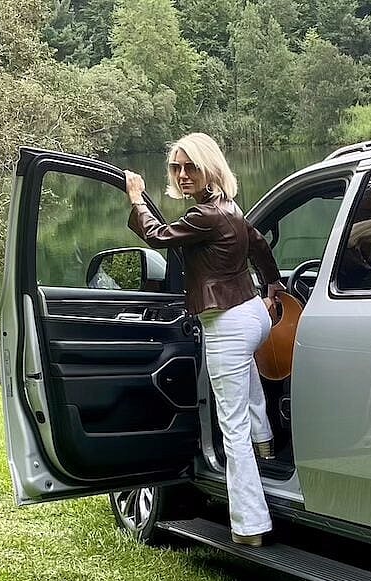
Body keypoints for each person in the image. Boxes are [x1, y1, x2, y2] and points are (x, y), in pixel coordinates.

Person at [124, 132, 283, 546]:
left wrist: (137, 200)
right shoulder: (230, 210)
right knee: (248, 387)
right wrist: (272, 289)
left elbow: (158, 237)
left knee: (231, 428)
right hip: (253, 316)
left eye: (190, 166)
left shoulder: (204, 216)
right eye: (176, 167)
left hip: (227, 324)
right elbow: (261, 245)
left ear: (210, 167)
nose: (181, 174)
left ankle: (250, 525)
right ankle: (266, 443)